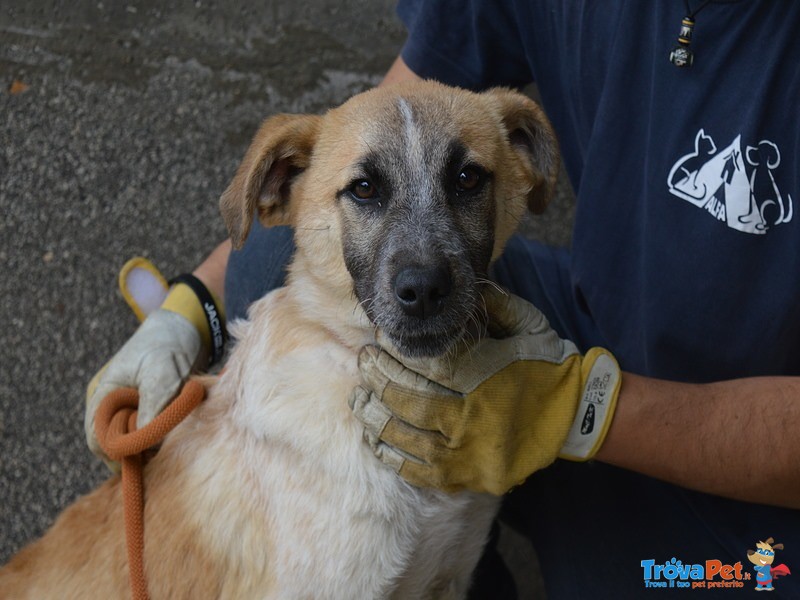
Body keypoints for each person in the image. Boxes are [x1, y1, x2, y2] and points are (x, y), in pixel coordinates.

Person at [85, 1, 800, 597]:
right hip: (596, 324)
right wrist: (191, 307)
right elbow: (392, 112)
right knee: (279, 253)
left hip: (753, 494)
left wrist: (579, 412)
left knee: (689, 577)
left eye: (469, 183)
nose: (419, 271)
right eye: (367, 194)